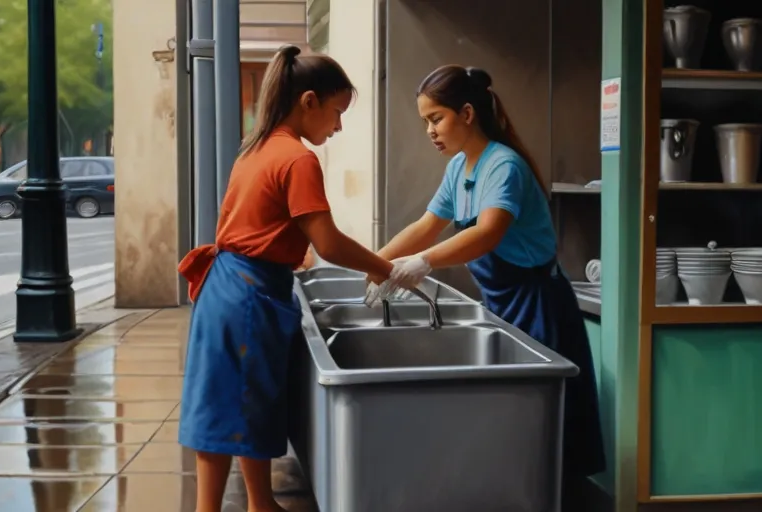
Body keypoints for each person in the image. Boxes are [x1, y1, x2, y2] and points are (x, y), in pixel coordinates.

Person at [177, 45, 407, 512]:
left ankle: (258, 504)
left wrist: (286, 251)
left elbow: (264, 226)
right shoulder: (298, 159)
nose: (338, 126)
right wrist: (390, 268)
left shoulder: (255, 148)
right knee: (241, 405)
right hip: (248, 296)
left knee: (227, 405)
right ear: (308, 102)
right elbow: (329, 243)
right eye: (337, 112)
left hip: (226, 289)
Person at [367, 65, 606, 480]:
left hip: (538, 306)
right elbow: (426, 225)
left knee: (540, 428)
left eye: (435, 118)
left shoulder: (503, 165)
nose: (430, 131)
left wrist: (423, 262)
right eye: (425, 121)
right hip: (502, 304)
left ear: (467, 113)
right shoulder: (459, 168)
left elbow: (488, 233)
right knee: (510, 421)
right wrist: (373, 265)